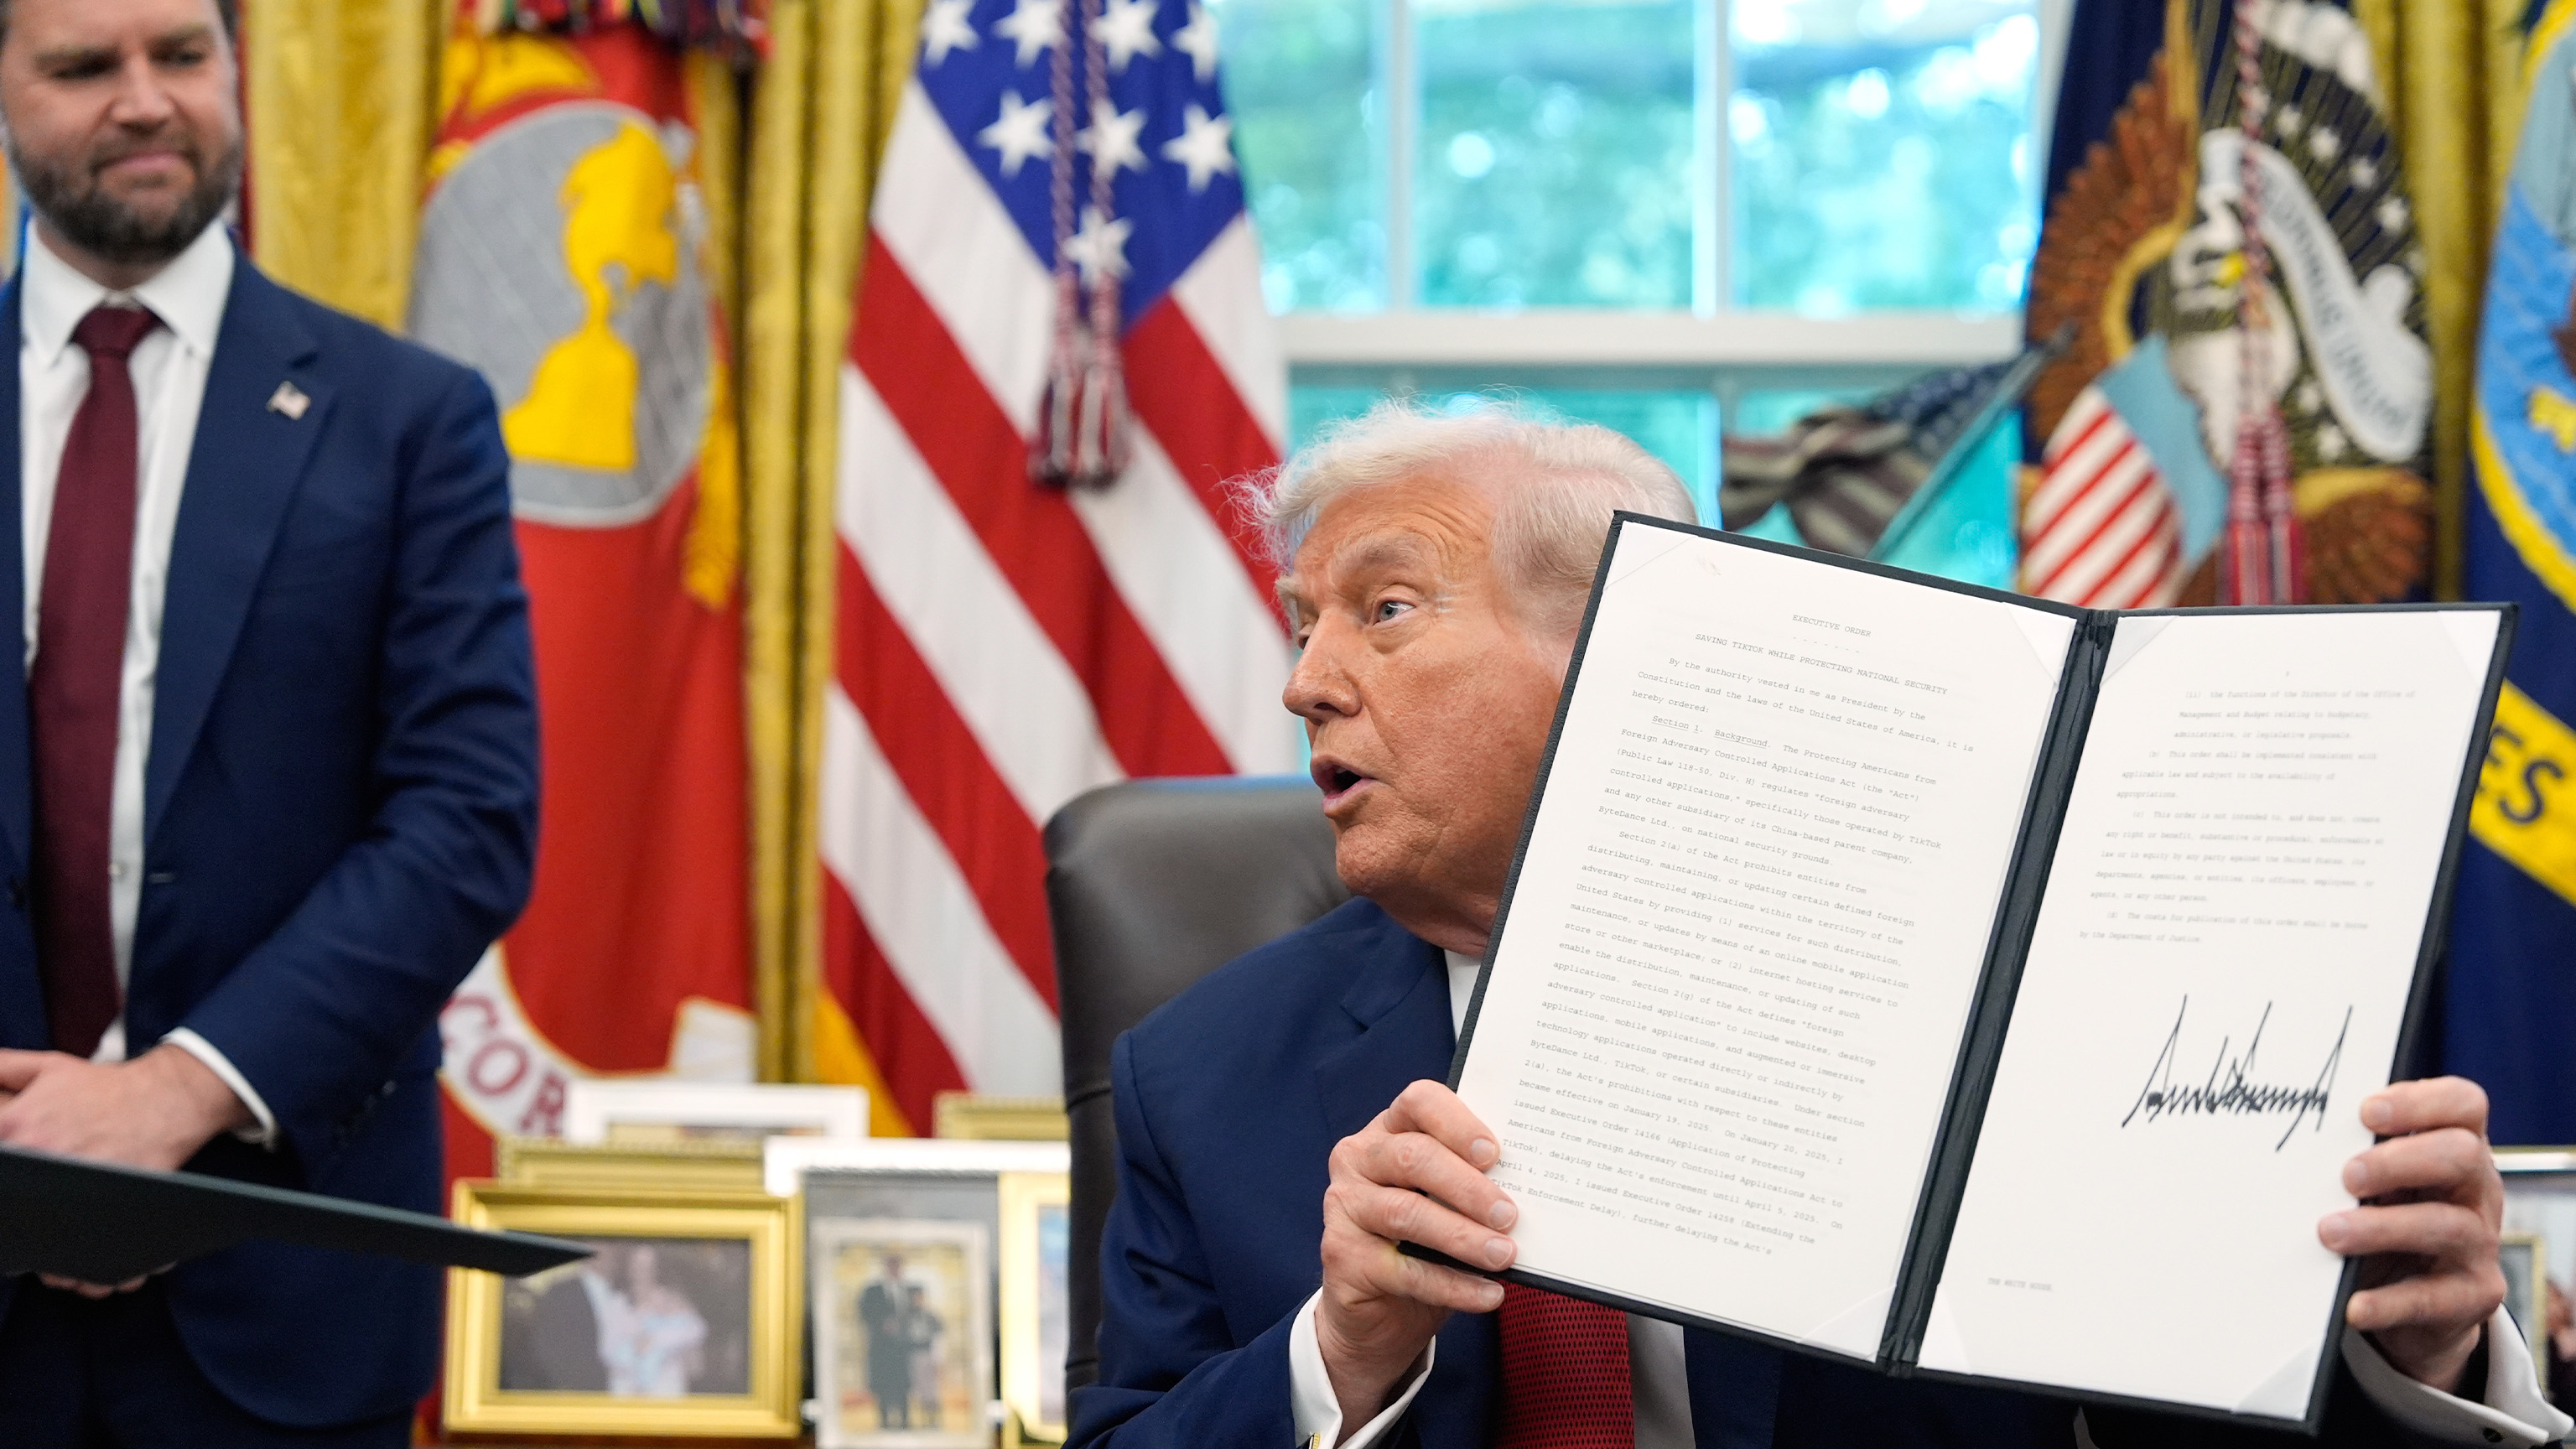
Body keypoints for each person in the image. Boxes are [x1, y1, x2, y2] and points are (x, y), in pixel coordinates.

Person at [1068, 401, 2573, 1449]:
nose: (1304, 681)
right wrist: (1341, 1350)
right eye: (1301, 622)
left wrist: (2414, 1355)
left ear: (1632, 647)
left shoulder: (2009, 994)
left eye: (1383, 611)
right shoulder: (1198, 1075)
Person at [0, 0, 540, 1444]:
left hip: (280, 1281)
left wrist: (175, 1090)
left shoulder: (410, 418)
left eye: (182, 55)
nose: (143, 100)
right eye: (81, 65)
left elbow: (465, 815)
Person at [609, 1244, 705, 1399]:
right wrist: (635, 1347)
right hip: (627, 1394)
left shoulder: (673, 1301)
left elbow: (695, 1337)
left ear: (657, 1269)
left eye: (648, 1266)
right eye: (637, 1266)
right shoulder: (617, 1304)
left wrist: (660, 1342)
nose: (642, 1272)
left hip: (666, 1392)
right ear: (629, 1268)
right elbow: (607, 1352)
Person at [860, 1253, 916, 1427]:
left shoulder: (908, 1290)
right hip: (881, 1347)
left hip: (903, 1348)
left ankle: (904, 1420)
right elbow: (864, 1313)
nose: (895, 1270)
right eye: (892, 1266)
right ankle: (884, 1420)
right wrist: (882, 1324)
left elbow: (915, 1315)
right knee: (883, 1383)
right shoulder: (873, 1291)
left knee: (902, 1384)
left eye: (898, 1266)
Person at [906, 1281, 944, 1426]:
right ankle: (923, 1419)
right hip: (914, 1355)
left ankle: (933, 1419)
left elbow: (938, 1338)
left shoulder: (930, 1316)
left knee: (932, 1389)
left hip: (928, 1354)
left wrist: (938, 1359)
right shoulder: (908, 1316)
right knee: (919, 1389)